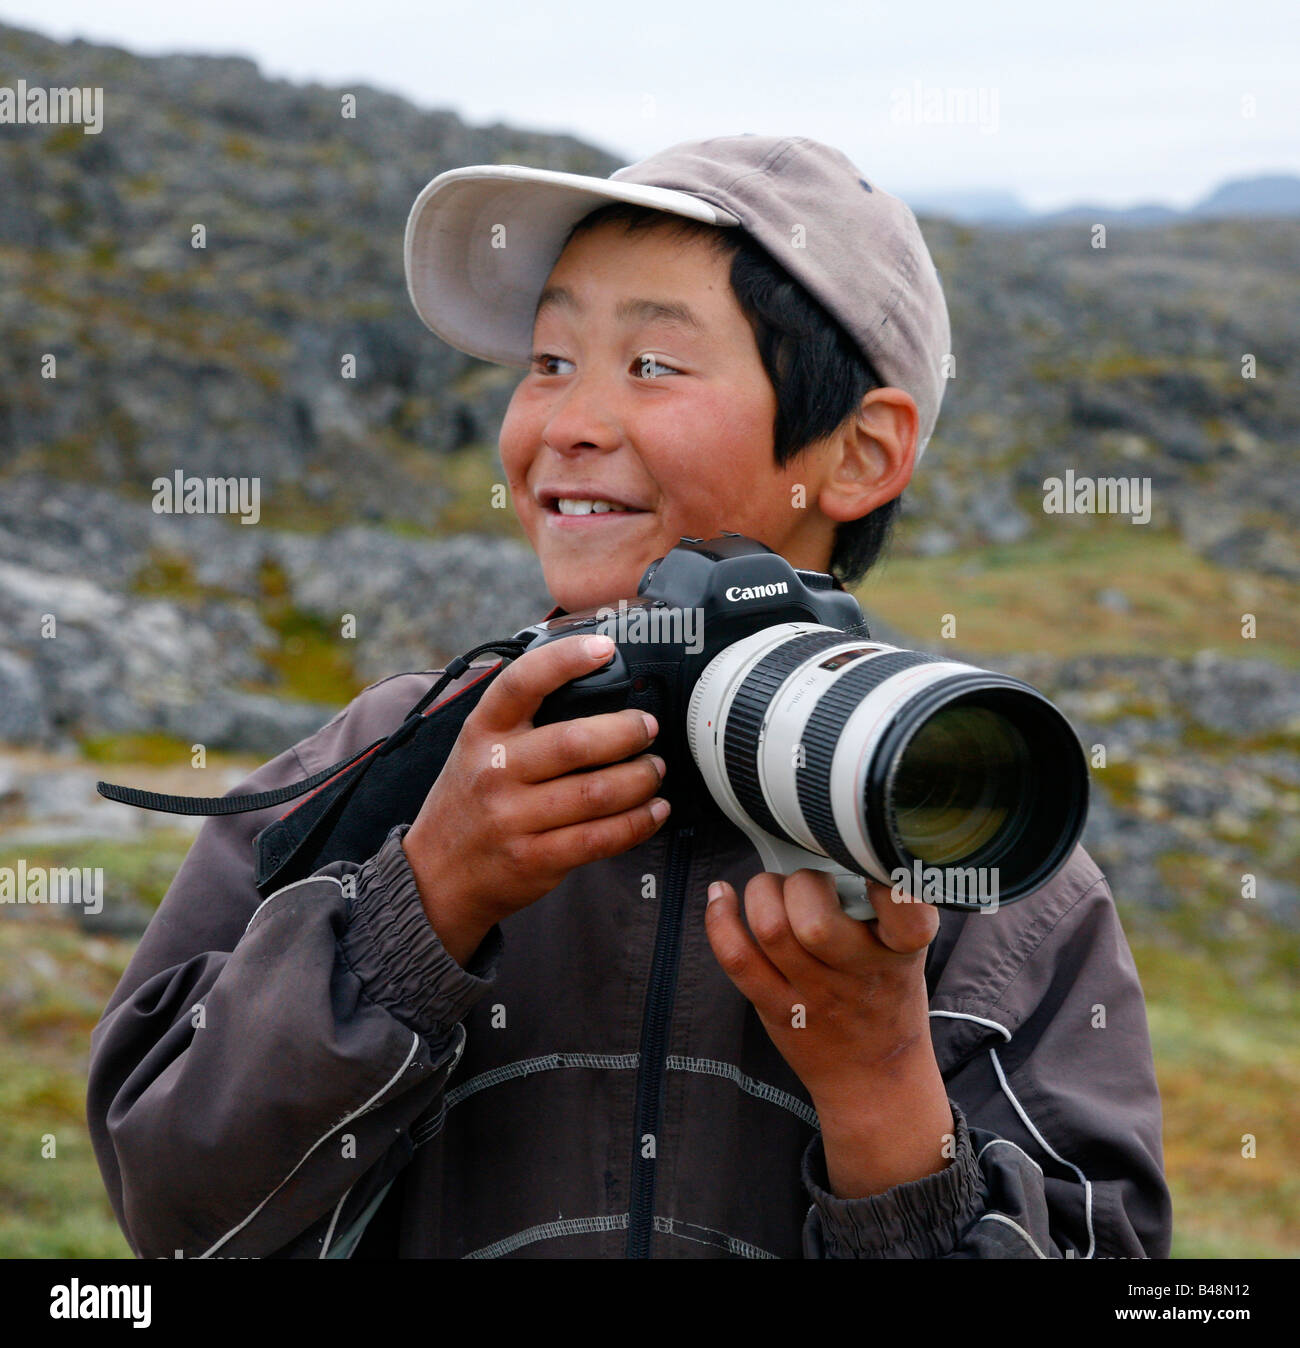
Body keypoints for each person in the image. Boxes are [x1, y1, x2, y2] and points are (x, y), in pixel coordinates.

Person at [87, 135, 1171, 1259]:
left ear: (856, 452)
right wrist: (422, 905)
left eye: (652, 365)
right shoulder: (392, 762)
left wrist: (880, 1086)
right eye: (548, 361)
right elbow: (168, 1210)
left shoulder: (978, 833)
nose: (565, 424)